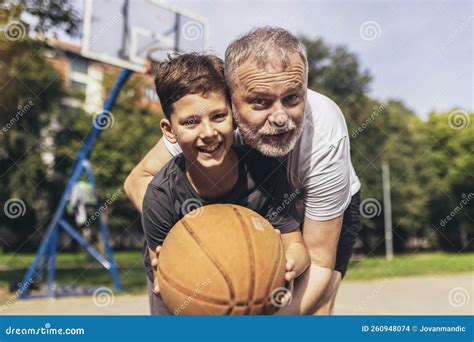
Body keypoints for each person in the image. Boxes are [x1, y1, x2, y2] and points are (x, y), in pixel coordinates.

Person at [125, 26, 361, 315]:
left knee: (317, 310)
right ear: (232, 100)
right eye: (260, 101)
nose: (279, 118)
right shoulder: (206, 121)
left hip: (319, 212)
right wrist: (193, 239)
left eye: (291, 98)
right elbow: (139, 180)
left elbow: (319, 262)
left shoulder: (325, 133)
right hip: (245, 209)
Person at [141, 53, 310, 315]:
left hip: (256, 290)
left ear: (233, 116)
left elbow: (296, 246)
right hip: (190, 296)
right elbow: (163, 273)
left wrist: (283, 264)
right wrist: (169, 280)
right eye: (190, 122)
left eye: (219, 116)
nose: (208, 133)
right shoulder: (161, 196)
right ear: (169, 130)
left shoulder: (265, 171)